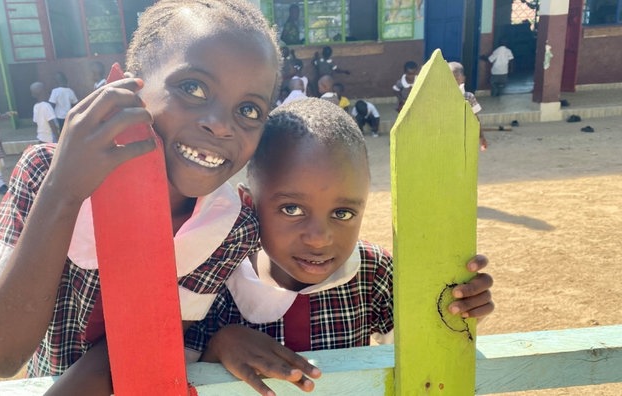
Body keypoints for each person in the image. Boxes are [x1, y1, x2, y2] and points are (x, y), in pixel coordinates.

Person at [0, 1, 280, 394]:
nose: (219, 124)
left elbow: (134, 346)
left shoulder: (230, 224)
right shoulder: (45, 170)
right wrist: (64, 192)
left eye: (249, 110)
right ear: (132, 87)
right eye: (193, 88)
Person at [184, 98, 494, 395]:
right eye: (292, 209)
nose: (319, 238)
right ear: (249, 204)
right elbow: (180, 378)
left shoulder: (373, 272)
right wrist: (220, 346)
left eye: (342, 213)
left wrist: (456, 309)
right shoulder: (217, 278)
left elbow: (420, 352)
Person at [449, 62, 488, 151]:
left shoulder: (468, 97)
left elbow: (476, 118)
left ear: (462, 79)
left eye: (455, 79)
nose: (452, 82)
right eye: (449, 79)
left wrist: (481, 137)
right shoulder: (442, 97)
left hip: (463, 136)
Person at [48, 72, 78, 137]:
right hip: (68, 117)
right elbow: (75, 104)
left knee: (61, 134)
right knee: (67, 133)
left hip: (58, 117)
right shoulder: (70, 91)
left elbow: (51, 105)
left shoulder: (55, 91)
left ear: (56, 82)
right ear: (65, 81)